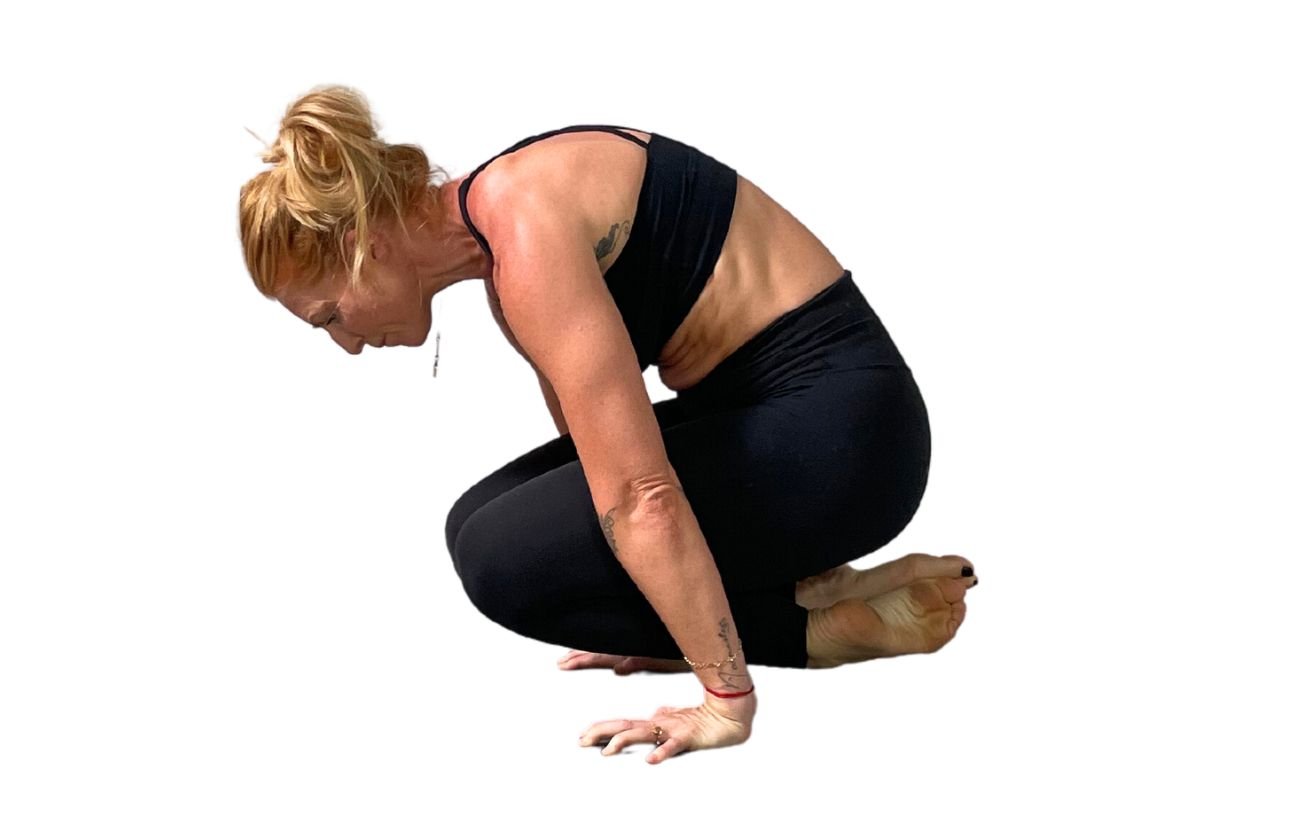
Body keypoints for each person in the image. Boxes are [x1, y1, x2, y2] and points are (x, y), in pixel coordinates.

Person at [237, 84, 978, 765]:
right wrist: (650, 615)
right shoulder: (506, 222)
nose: (346, 342)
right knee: (476, 521)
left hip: (849, 443)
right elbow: (590, 475)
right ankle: (820, 591)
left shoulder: (525, 235)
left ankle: (811, 633)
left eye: (330, 314)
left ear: (365, 243)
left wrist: (721, 697)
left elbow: (640, 495)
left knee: (500, 560)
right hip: (807, 426)